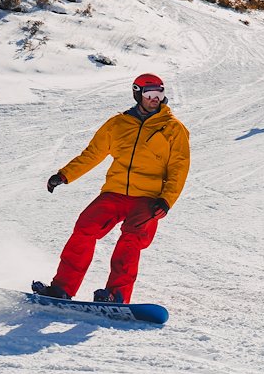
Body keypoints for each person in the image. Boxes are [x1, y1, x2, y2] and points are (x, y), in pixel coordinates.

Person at [31, 73, 191, 303]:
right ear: (137, 94)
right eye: (149, 94)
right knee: (85, 227)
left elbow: (179, 167)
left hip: (148, 197)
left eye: (159, 93)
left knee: (131, 238)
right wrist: (65, 174)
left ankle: (117, 295)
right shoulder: (118, 124)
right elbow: (93, 154)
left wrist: (167, 200)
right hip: (115, 192)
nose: (155, 98)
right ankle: (62, 288)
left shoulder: (173, 129)